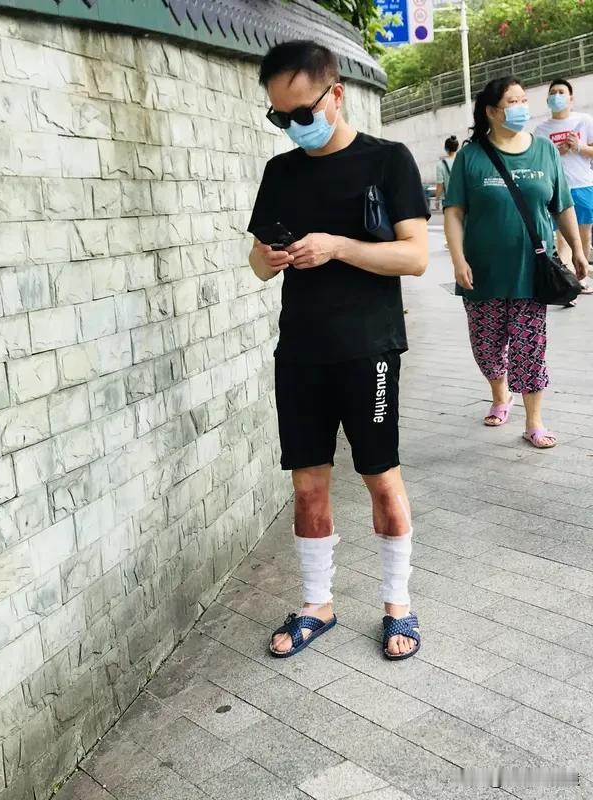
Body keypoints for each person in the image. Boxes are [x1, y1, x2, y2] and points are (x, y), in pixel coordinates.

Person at [247, 41, 429, 661]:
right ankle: (316, 603)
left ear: (336, 94)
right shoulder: (281, 173)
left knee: (381, 478)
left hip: (368, 347)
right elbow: (256, 265)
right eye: (280, 117)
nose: (294, 126)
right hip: (301, 349)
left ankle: (397, 604)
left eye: (303, 113)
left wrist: (337, 246)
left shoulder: (388, 160)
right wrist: (269, 258)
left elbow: (415, 257)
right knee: (307, 486)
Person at [444, 77, 588, 449]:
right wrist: (458, 259)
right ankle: (500, 393)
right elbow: (454, 211)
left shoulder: (544, 150)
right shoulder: (471, 156)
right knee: (487, 347)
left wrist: (577, 250)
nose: (522, 107)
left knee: (530, 348)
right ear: (492, 111)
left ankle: (534, 421)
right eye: (513, 101)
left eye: (524, 99)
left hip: (532, 271)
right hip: (482, 272)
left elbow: (562, 205)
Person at [535, 78, 593, 304]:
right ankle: (569, 288)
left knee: (583, 237)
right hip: (557, 189)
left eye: (561, 92)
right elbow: (538, 162)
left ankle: (581, 277)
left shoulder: (584, 121)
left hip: (583, 185)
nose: (556, 96)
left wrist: (578, 147)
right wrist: (555, 152)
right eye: (553, 92)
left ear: (571, 98)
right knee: (562, 240)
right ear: (548, 100)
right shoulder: (541, 130)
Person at [435, 134, 459, 211]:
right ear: (457, 147)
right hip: (462, 199)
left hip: (448, 201)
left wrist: (437, 200)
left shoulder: (440, 164)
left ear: (446, 148)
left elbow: (440, 185)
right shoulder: (462, 161)